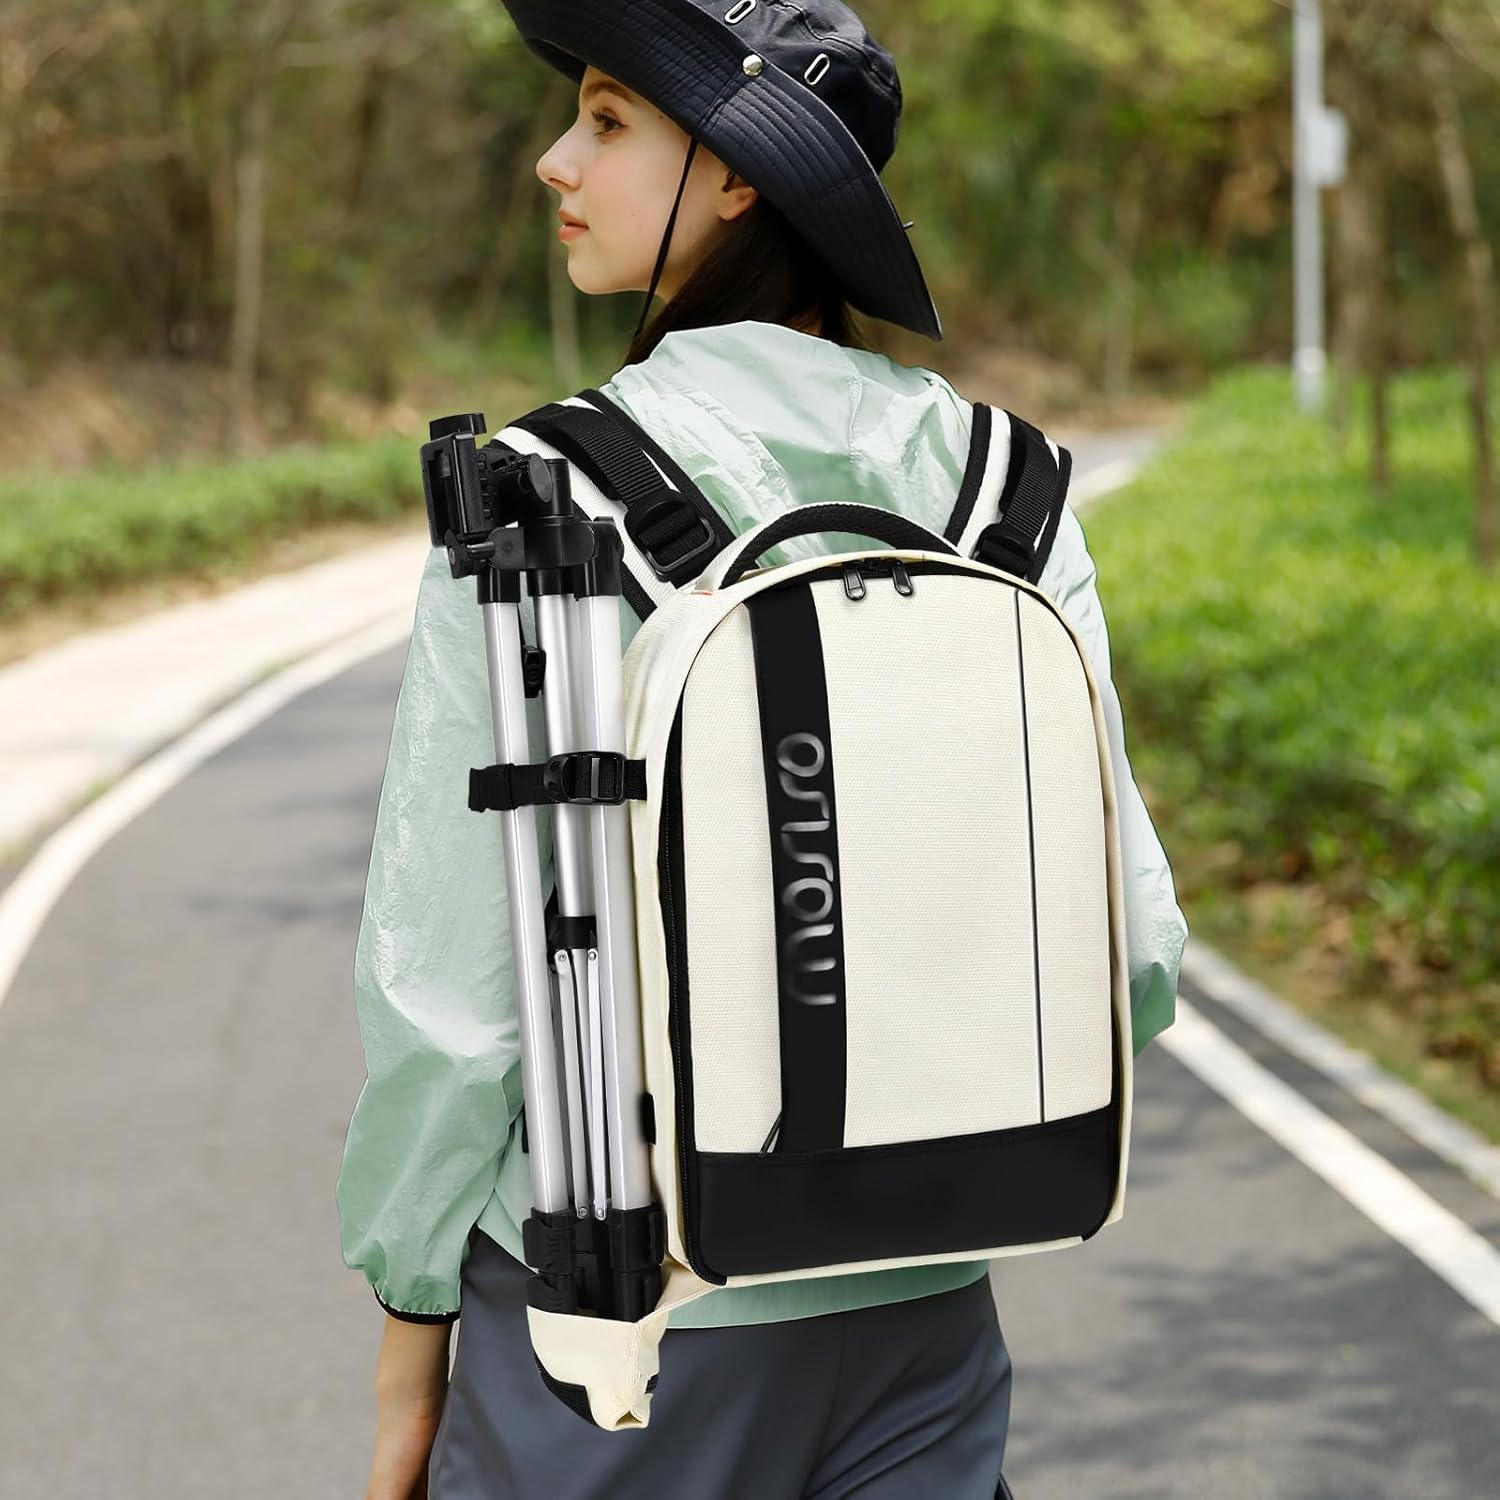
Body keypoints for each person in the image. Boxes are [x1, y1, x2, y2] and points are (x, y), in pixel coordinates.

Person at [336, 3, 1188, 1497]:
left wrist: (413, 1339)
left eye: (608, 120)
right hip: (926, 1329)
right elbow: (1137, 954)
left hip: (607, 1339)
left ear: (739, 176)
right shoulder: (1013, 491)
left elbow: (452, 1004)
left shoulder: (540, 496)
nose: (554, 160)